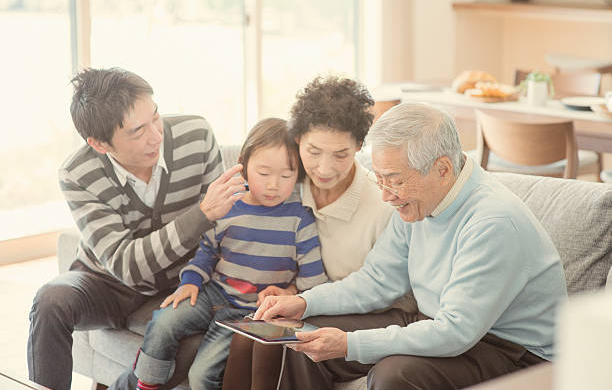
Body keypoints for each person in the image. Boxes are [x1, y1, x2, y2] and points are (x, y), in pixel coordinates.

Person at [252, 102, 568, 390]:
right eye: (380, 179)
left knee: (394, 376)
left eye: (395, 180)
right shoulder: (418, 202)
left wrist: (349, 343)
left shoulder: (492, 222)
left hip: (512, 350)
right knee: (304, 337)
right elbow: (377, 281)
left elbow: (455, 332)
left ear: (442, 170)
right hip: (435, 320)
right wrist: (306, 303)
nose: (386, 195)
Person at [27, 67, 247, 390]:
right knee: (51, 301)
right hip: (105, 284)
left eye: (155, 117)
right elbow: (127, 265)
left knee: (188, 347)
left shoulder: (196, 135)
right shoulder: (78, 173)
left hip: (179, 282)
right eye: (137, 131)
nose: (157, 135)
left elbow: (221, 231)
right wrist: (200, 214)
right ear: (99, 144)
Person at [111, 117, 329, 390]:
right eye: (264, 173)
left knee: (202, 376)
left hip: (253, 312)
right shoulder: (229, 207)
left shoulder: (300, 219)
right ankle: (146, 384)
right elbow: (206, 251)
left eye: (286, 176)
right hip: (215, 293)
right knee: (164, 321)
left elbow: (314, 282)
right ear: (243, 165)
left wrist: (289, 294)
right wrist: (190, 281)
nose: (274, 185)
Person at [222, 76, 396, 390]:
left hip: (369, 313)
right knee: (248, 334)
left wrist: (302, 301)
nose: (324, 168)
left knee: (274, 339)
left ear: (359, 146)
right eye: (313, 151)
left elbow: (384, 291)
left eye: (340, 154)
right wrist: (290, 291)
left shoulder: (382, 207)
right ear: (298, 138)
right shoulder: (286, 185)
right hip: (311, 302)